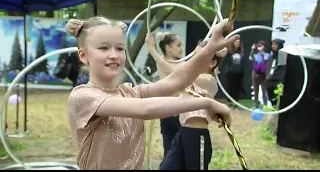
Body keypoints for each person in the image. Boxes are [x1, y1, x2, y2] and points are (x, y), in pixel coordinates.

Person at [66, 16, 239, 170]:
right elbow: (145, 109)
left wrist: (209, 49)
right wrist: (207, 103)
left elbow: (175, 81)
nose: (114, 55)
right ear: (83, 55)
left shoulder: (130, 92)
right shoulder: (83, 97)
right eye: (104, 48)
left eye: (119, 48)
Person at [145, 38, 228, 170]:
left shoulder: (208, 81)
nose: (194, 60)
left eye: (199, 57)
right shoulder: (190, 79)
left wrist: (152, 50)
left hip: (197, 136)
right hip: (183, 133)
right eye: (194, 56)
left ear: (212, 63)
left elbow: (176, 74)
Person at [145, 32, 184, 158]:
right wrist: (152, 49)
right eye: (178, 45)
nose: (181, 48)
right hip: (168, 113)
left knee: (183, 148)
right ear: (168, 48)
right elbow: (172, 73)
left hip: (183, 112)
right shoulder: (162, 62)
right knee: (170, 149)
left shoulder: (182, 63)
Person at [249, 40, 270, 109]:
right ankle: (256, 105)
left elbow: (265, 61)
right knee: (256, 90)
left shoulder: (267, 55)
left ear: (264, 47)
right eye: (259, 45)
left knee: (264, 90)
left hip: (263, 74)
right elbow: (250, 58)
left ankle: (265, 105)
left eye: (261, 45)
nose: (259, 47)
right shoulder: (255, 55)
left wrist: (261, 53)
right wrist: (252, 50)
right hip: (255, 74)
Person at [224, 38, 245, 108]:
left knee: (237, 88)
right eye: (236, 42)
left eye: (239, 42)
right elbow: (226, 61)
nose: (238, 43)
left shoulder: (241, 52)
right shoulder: (229, 51)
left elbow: (242, 63)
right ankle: (230, 102)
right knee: (231, 87)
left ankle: (236, 102)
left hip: (239, 73)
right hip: (230, 73)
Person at [266, 38, 286, 107]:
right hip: (269, 81)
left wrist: (280, 81)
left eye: (275, 44)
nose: (273, 46)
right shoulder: (271, 56)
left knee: (278, 99)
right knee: (271, 98)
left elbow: (282, 70)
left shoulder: (282, 55)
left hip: (277, 81)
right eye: (272, 44)